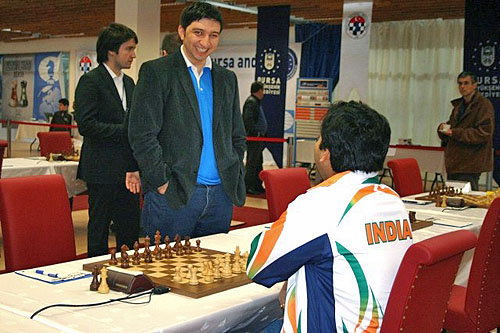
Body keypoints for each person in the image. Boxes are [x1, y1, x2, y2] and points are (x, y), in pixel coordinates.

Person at [246, 101, 413, 332]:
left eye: (318, 139)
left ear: (326, 152)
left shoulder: (322, 202)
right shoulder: (392, 199)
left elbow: (258, 265)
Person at [128, 2, 246, 241]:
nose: (205, 42)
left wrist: (234, 170)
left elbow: (237, 134)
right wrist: (162, 183)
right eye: (198, 33)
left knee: (212, 275)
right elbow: (141, 134)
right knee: (165, 274)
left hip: (220, 196)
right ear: (182, 32)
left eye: (213, 35)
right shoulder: (157, 72)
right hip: (173, 195)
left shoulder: (226, 79)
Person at [74, 23, 141, 257]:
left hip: (128, 169)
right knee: (100, 228)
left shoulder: (130, 83)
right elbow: (87, 125)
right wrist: (125, 131)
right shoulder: (91, 81)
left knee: (130, 227)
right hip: (101, 169)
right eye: (129, 49)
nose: (133, 55)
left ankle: (130, 272)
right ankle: (97, 275)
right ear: (111, 51)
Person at [438, 71, 495, 190]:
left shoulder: (484, 105)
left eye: (466, 83)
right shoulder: (458, 106)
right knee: (454, 198)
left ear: (475, 85)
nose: (462, 87)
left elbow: (484, 133)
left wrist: (455, 132)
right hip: (455, 161)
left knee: (468, 199)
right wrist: (444, 129)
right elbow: (453, 127)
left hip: (471, 161)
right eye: (460, 84)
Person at [243, 81, 267, 194]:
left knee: (258, 162)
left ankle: (257, 185)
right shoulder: (252, 102)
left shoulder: (255, 102)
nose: (264, 93)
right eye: (263, 90)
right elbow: (248, 120)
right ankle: (249, 186)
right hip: (254, 139)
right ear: (259, 90)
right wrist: (255, 133)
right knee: (252, 162)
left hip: (257, 138)